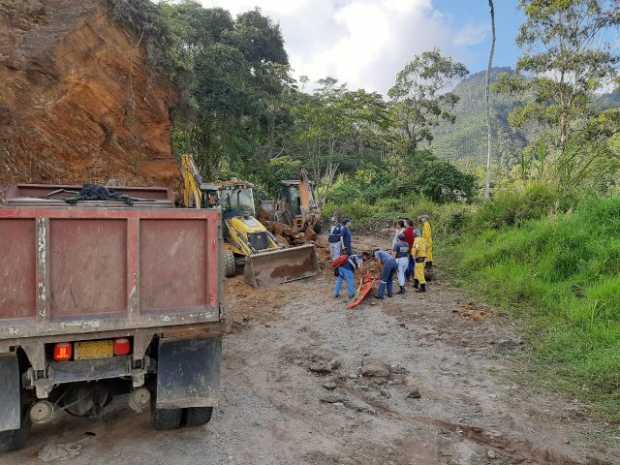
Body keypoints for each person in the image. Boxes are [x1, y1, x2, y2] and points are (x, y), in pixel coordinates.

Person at [411, 228, 429, 293]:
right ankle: (415, 284)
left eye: (413, 233)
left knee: (420, 273)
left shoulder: (416, 240)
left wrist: (413, 256)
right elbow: (427, 247)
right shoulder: (424, 240)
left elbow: (415, 248)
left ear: (415, 234)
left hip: (418, 258)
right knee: (416, 272)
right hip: (423, 258)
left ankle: (423, 287)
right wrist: (426, 257)